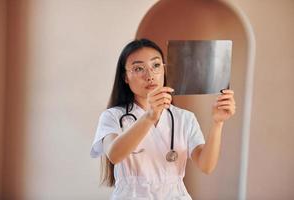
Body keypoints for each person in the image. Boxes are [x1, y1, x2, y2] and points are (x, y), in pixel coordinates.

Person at [90, 38, 236, 199]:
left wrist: (218, 122)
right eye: (138, 68)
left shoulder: (184, 118)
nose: (150, 75)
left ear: (165, 70)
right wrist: (150, 116)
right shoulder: (112, 116)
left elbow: (206, 166)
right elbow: (114, 155)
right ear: (125, 77)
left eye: (156, 65)